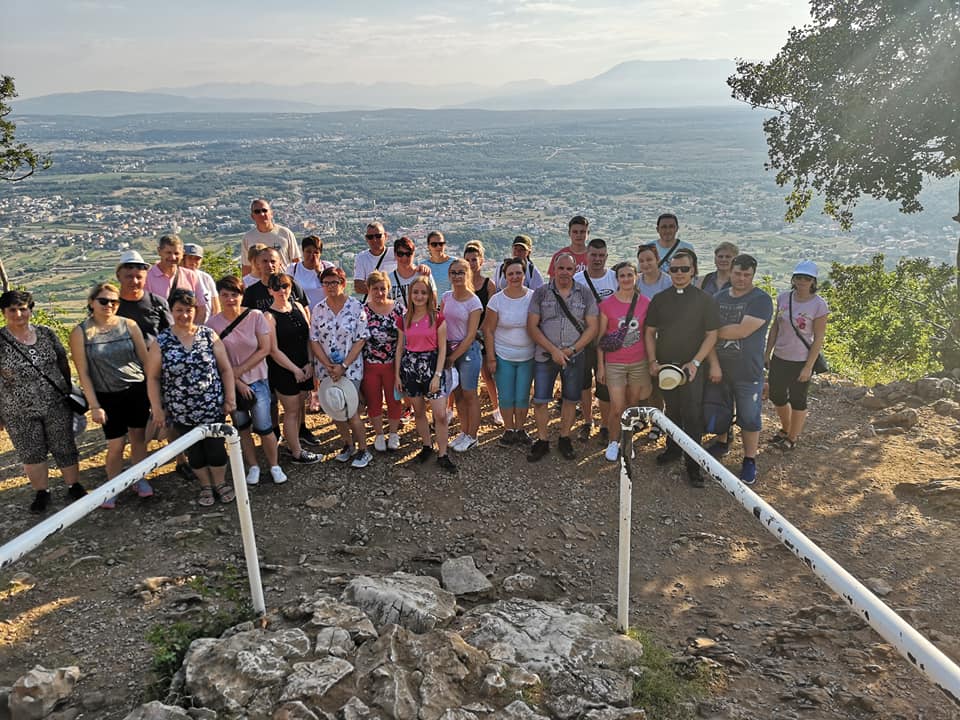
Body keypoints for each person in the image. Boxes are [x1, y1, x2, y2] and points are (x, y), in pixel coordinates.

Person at [145, 288, 236, 506]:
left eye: (189, 310)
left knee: (216, 448)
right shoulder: (162, 341)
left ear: (195, 310)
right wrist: (157, 408)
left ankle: (220, 483)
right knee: (194, 452)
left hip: (211, 405)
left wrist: (230, 398)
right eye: (179, 310)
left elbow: (225, 369)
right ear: (171, 310)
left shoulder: (208, 335)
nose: (184, 315)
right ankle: (205, 485)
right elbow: (153, 377)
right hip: (180, 409)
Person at [0, 290, 87, 513]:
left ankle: (74, 485)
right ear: (4, 313)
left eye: (23, 309)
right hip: (16, 409)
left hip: (55, 403)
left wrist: (69, 390)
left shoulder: (46, 333)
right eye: (12, 310)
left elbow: (62, 362)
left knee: (64, 445)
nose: (18, 314)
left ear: (31, 310)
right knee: (31, 451)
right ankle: (42, 492)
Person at [70, 282, 152, 507]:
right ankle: (113, 487)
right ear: (92, 302)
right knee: (116, 444)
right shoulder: (81, 332)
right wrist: (95, 405)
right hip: (106, 395)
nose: (109, 305)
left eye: (114, 302)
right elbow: (83, 373)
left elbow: (145, 360)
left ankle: (140, 478)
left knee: (138, 438)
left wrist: (154, 394)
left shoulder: (129, 325)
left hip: (136, 390)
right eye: (103, 301)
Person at [644, 249, 720, 487]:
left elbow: (712, 335)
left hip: (691, 368)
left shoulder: (705, 300)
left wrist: (696, 362)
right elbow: (649, 332)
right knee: (672, 410)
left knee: (692, 415)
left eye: (684, 269)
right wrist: (652, 361)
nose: (679, 273)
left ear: (693, 270)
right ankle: (673, 449)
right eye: (674, 269)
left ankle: (693, 465)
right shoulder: (660, 299)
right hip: (665, 366)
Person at [207, 276, 286, 486]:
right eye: (225, 295)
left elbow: (265, 349)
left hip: (258, 379)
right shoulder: (212, 324)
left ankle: (274, 465)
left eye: (234, 294)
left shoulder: (255, 316)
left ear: (242, 295)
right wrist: (236, 381)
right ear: (219, 296)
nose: (230, 299)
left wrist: (239, 371)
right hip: (231, 385)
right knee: (242, 427)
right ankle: (253, 466)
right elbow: (215, 358)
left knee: (265, 427)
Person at [705, 255, 773, 485]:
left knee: (749, 417)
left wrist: (712, 331)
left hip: (748, 370)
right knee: (720, 408)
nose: (741, 278)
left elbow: (742, 331)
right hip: (720, 368)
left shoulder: (761, 300)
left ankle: (749, 459)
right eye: (737, 273)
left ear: (753, 275)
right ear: (730, 272)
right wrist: (714, 363)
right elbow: (708, 337)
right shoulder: (718, 298)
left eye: (747, 275)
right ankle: (722, 442)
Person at [526, 252, 599, 462]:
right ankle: (542, 440)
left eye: (569, 268)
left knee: (570, 399)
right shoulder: (541, 293)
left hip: (575, 355)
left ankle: (564, 438)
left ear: (575, 270)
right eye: (561, 268)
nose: (565, 272)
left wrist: (572, 350)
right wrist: (554, 350)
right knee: (540, 400)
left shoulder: (585, 294)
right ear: (554, 269)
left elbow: (592, 327)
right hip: (545, 354)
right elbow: (532, 326)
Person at [310, 267, 372, 468]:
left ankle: (363, 450)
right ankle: (348, 444)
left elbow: (361, 339)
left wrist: (343, 365)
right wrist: (327, 365)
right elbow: (314, 339)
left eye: (334, 282)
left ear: (343, 284)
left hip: (350, 368)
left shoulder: (355, 307)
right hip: (326, 369)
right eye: (326, 283)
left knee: (351, 411)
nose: (330, 287)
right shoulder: (318, 309)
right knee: (334, 408)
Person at [765, 260, 829, 451]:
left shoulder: (819, 305)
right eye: (799, 277)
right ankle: (786, 428)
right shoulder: (784, 298)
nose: (802, 281)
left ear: (813, 281)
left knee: (798, 399)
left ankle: (792, 437)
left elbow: (818, 338)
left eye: (807, 278)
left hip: (801, 359)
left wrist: (808, 367)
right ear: (793, 278)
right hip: (780, 356)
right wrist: (767, 352)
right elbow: (776, 326)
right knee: (776, 395)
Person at [395, 276, 455, 472]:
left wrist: (437, 375)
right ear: (410, 294)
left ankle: (443, 453)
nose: (419, 296)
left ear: (429, 295)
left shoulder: (437, 318)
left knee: (440, 415)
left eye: (423, 292)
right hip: (410, 368)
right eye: (415, 292)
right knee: (419, 411)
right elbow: (400, 348)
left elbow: (442, 348)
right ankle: (427, 446)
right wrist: (397, 375)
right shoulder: (404, 319)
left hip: (432, 366)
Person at [263, 273, 321, 465]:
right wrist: (295, 370)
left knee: (299, 406)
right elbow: (273, 350)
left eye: (285, 286)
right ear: (270, 290)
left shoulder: (297, 306)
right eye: (277, 287)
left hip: (304, 365)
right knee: (291, 411)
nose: (282, 291)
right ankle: (296, 452)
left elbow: (309, 336)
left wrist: (310, 363)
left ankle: (294, 442)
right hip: (284, 370)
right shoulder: (269, 316)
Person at [597, 262, 652, 462]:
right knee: (617, 407)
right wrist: (601, 366)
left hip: (638, 361)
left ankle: (627, 442)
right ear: (617, 279)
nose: (626, 279)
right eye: (622, 275)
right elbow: (601, 338)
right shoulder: (607, 305)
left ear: (636, 277)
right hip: (615, 363)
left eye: (630, 275)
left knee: (632, 405)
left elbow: (649, 334)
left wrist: (651, 360)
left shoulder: (645, 303)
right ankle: (613, 441)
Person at [483, 257, 535, 447]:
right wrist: (491, 358)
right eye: (510, 274)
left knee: (522, 395)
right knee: (506, 395)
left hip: (527, 356)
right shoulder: (497, 300)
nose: (515, 277)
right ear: (505, 276)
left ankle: (520, 429)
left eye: (518, 273)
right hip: (503, 355)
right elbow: (488, 330)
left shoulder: (533, 297)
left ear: (524, 275)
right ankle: (508, 430)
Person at [573, 238, 617, 442]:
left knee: (604, 385)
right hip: (583, 339)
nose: (597, 259)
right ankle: (587, 421)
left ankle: (605, 425)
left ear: (606, 257)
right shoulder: (577, 279)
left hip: (608, 341)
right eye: (594, 255)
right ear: (587, 256)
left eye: (601, 255)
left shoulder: (614, 278)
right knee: (584, 384)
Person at [441, 258, 483, 452]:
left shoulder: (474, 302)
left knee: (470, 394)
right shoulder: (446, 297)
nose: (457, 276)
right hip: (449, 350)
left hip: (467, 352)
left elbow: (470, 335)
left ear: (468, 274)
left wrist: (451, 357)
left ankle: (473, 436)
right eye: (454, 272)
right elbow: (441, 324)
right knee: (457, 394)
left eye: (461, 272)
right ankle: (464, 432)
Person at [362, 271, 403, 452]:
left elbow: (404, 338)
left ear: (388, 289)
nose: (379, 293)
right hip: (370, 364)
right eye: (375, 289)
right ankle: (379, 434)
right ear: (369, 289)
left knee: (394, 399)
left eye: (383, 288)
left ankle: (393, 433)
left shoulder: (398, 309)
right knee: (373, 400)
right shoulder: (363, 311)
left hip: (393, 364)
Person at [463, 240, 502, 425]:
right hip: (465, 336)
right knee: (461, 375)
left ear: (481, 261)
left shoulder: (489, 284)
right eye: (468, 260)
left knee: (487, 375)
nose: (471, 263)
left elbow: (491, 311)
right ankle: (452, 410)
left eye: (474, 259)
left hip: (483, 334)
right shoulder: (462, 284)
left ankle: (496, 408)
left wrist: (480, 332)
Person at [145, 235, 208, 323]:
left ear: (182, 254)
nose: (173, 257)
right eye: (168, 253)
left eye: (176, 253)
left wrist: (193, 329)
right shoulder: (147, 277)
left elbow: (202, 309)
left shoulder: (190, 276)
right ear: (159, 251)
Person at [115, 250, 172, 345]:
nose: (134, 281)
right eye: (129, 277)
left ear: (146, 278)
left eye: (139, 277)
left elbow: (170, 336)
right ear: (118, 276)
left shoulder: (158, 303)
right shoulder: (109, 304)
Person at [241, 199, 300, 275]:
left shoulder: (285, 233)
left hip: (283, 279)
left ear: (271, 213)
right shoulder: (248, 238)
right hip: (258, 281)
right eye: (257, 211)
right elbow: (246, 267)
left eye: (264, 210)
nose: (262, 214)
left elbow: (296, 261)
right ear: (252, 216)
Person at [243, 246, 310, 312]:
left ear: (280, 264)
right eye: (265, 261)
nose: (269, 265)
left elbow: (305, 310)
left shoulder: (291, 284)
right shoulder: (251, 292)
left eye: (273, 261)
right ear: (258, 264)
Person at [389, 235, 436, 310]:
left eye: (408, 254)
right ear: (395, 254)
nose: (404, 257)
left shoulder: (424, 274)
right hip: (398, 317)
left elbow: (433, 301)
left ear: (413, 254)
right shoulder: (389, 279)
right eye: (400, 254)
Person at [290, 235, 335, 309]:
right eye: (308, 252)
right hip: (302, 311)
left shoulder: (328, 267)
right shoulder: (293, 269)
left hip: (324, 311)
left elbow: (334, 290)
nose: (312, 256)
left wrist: (319, 272)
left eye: (316, 252)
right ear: (303, 252)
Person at [181, 243, 221, 318]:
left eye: (197, 259)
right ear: (183, 259)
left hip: (207, 324)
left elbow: (216, 307)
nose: (193, 262)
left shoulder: (206, 278)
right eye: (190, 258)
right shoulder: (176, 278)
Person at [424, 231, 456, 298]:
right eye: (434, 244)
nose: (438, 247)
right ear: (428, 246)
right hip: (431, 304)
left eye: (441, 244)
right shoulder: (424, 266)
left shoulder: (455, 263)